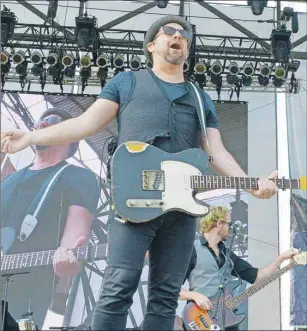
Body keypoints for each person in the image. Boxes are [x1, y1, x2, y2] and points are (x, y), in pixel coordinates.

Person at [1, 16, 279, 331]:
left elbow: (216, 151)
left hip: (181, 211)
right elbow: (85, 125)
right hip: (134, 203)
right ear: (151, 45)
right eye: (169, 32)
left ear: (186, 49)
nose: (178, 37)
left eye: (184, 35)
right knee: (118, 289)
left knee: (165, 297)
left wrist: (252, 183)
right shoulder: (126, 82)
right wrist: (30, 137)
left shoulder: (201, 98)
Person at [0, 108, 100, 328]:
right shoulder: (10, 179)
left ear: (70, 135)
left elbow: (75, 237)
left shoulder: (80, 177)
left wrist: (68, 260)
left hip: (26, 293)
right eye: (40, 122)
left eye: (53, 121)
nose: (43, 123)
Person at [179, 206, 299, 331]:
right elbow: (171, 288)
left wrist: (281, 259)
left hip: (228, 321)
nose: (230, 228)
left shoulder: (227, 253)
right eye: (229, 224)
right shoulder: (191, 249)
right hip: (198, 317)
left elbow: (258, 276)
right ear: (219, 223)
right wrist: (194, 296)